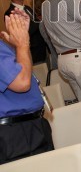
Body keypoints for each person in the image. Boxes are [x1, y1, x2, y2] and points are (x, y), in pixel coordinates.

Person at [0, 11, 54, 164]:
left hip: (26, 127)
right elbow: (22, 82)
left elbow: (26, 68)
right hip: (17, 133)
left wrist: (24, 42)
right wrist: (22, 44)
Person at [4, 0, 47, 65]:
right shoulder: (10, 13)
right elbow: (21, 33)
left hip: (43, 49)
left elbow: (36, 23)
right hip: (32, 54)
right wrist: (40, 23)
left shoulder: (27, 8)